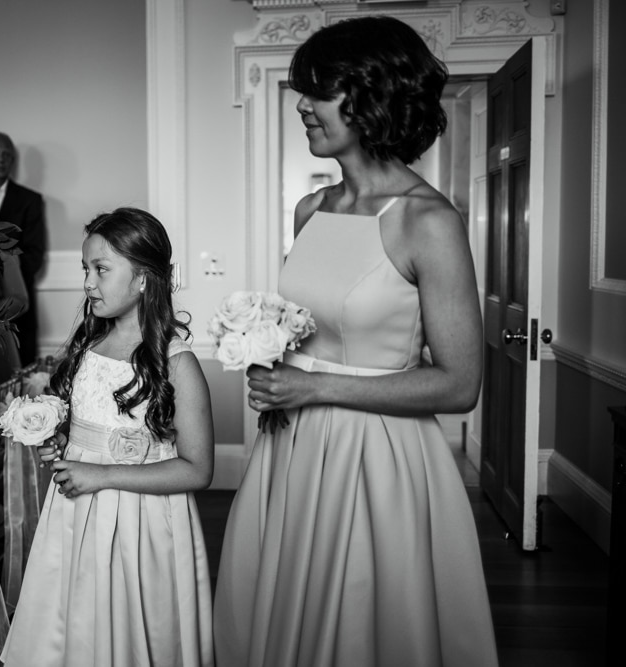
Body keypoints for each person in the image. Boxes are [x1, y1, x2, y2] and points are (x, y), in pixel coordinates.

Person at [213, 16, 499, 667]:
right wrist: (269, 356)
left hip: (379, 456)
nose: (303, 107)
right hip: (293, 447)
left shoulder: (428, 222)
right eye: (302, 91)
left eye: (321, 91)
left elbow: (459, 383)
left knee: (364, 620)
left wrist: (315, 386)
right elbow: (312, 326)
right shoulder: (310, 211)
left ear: (375, 95)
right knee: (287, 606)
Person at [1, 207, 215, 666]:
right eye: (85, 269)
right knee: (76, 620)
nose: (88, 283)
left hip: (140, 517)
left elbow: (198, 469)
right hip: (77, 513)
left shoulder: (177, 364)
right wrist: (64, 443)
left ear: (143, 279)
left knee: (129, 624)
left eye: (101, 269)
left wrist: (101, 472)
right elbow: (86, 428)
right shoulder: (87, 343)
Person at [0, 131, 46, 367]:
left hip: (17, 305)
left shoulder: (30, 200)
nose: (0, 158)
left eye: (7, 154)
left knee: (19, 374)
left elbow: (34, 255)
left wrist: (3, 280)